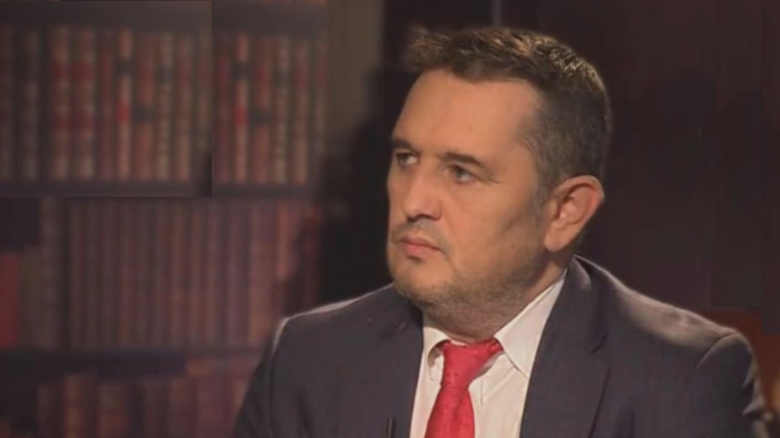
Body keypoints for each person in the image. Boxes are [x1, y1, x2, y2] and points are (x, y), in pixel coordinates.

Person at [232, 26, 769, 438]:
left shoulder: (681, 381)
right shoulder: (307, 361)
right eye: (406, 158)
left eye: (461, 172)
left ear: (565, 211)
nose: (413, 201)